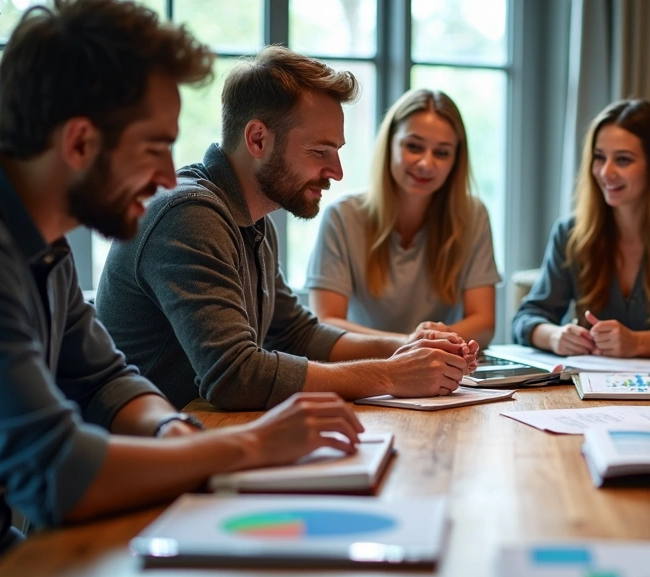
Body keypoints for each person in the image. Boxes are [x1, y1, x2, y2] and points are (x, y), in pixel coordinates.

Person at [0, 1, 364, 577]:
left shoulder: (39, 237)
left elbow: (105, 381)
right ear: (80, 141)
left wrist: (174, 432)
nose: (170, 174)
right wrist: (247, 444)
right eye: (155, 148)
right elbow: (57, 473)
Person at [97, 48, 478, 411]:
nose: (337, 172)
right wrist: (391, 375)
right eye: (319, 151)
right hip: (152, 454)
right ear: (258, 139)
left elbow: (298, 334)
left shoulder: (254, 220)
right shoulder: (188, 214)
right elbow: (235, 376)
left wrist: (408, 344)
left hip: (201, 435)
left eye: (338, 151)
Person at [512, 99, 650, 359]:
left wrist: (638, 342)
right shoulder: (570, 232)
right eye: (599, 158)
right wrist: (554, 336)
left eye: (623, 160)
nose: (606, 172)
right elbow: (525, 318)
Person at [307, 89, 500, 346]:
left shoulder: (473, 215)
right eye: (414, 146)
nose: (425, 164)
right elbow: (326, 321)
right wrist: (411, 343)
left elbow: (484, 323)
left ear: (456, 160)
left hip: (443, 368)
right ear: (390, 144)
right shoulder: (342, 216)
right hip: (364, 368)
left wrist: (424, 344)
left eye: (442, 153)